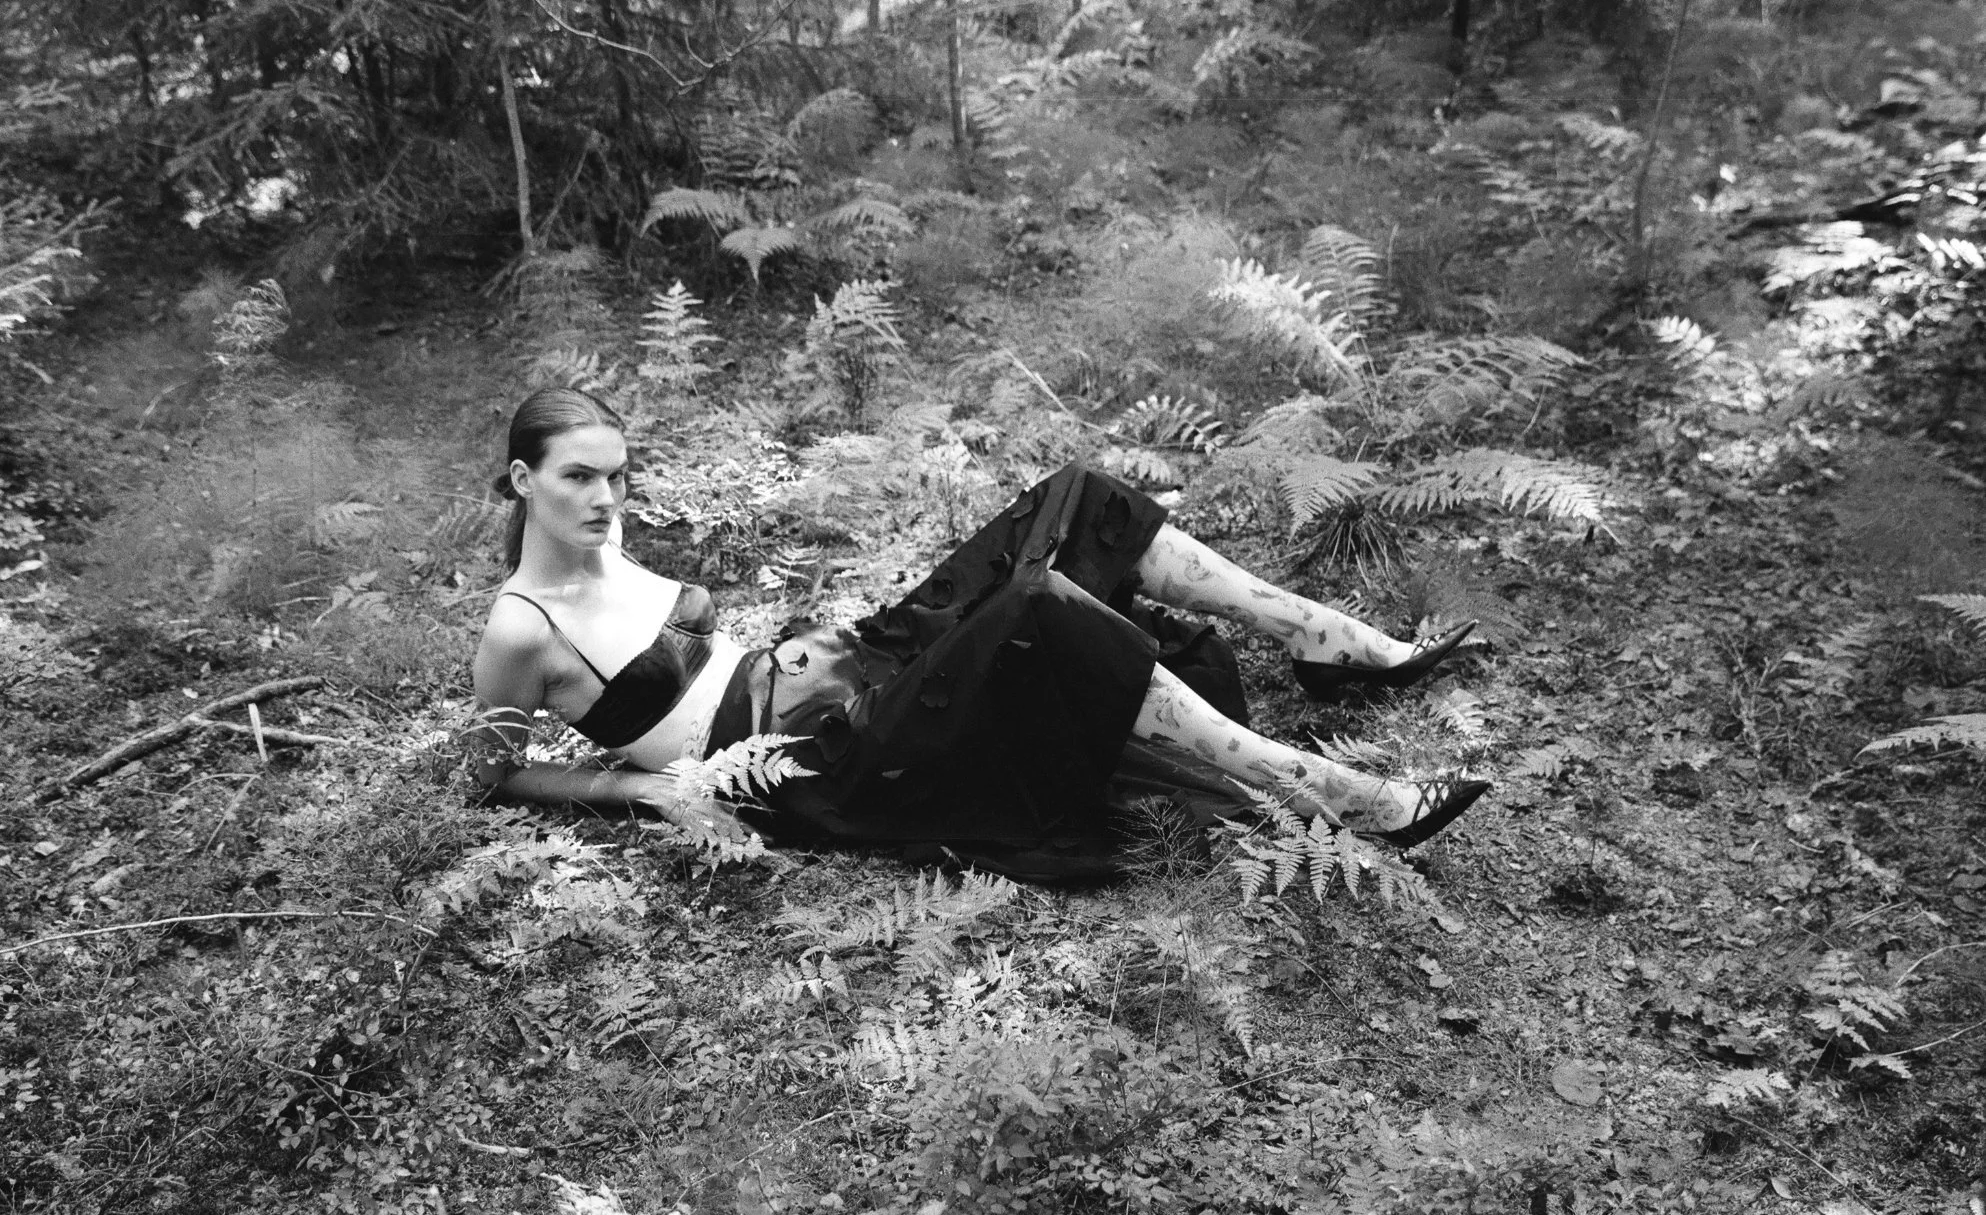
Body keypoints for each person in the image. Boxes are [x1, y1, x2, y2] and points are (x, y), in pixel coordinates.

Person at [470, 389, 1488, 884]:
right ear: (524, 480)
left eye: (616, 475)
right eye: (578, 477)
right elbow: (492, 774)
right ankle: (1337, 794)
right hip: (825, 759)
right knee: (1038, 609)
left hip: (847, 661)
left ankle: (1328, 640)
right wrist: (648, 790)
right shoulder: (524, 626)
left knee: (1079, 495)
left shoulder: (602, 541)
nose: (605, 498)